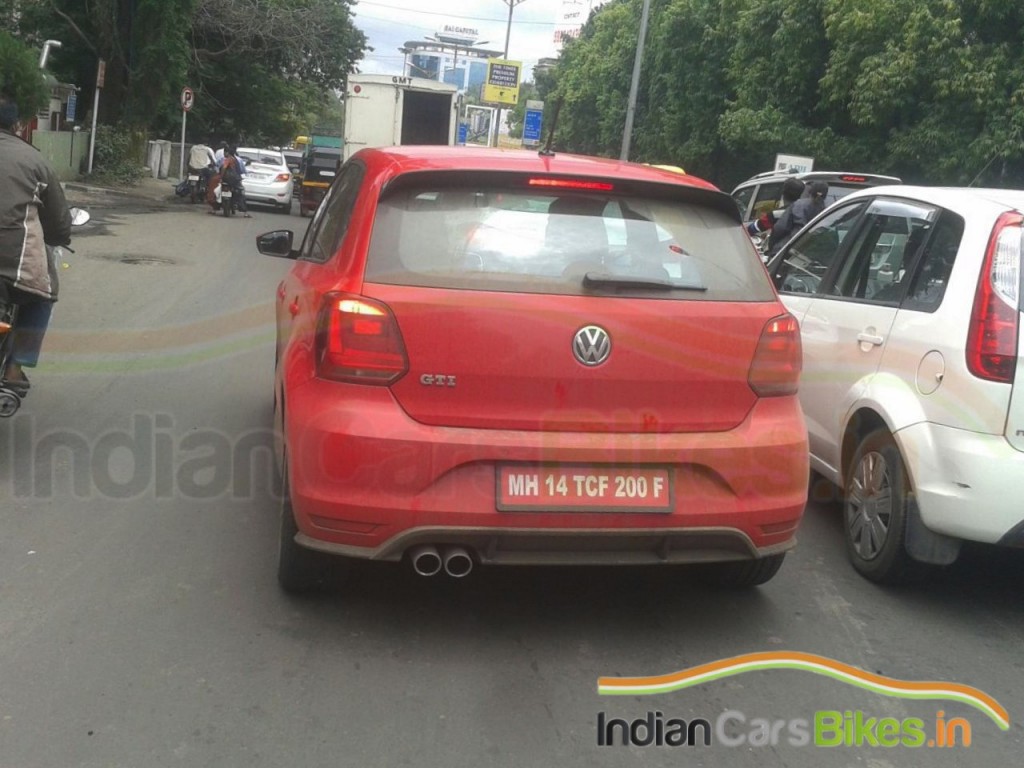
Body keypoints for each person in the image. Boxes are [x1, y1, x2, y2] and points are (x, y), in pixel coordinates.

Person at [0, 93, 72, 396]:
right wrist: (59, 238)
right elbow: (57, 221)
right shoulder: (35, 160)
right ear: (17, 124)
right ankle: (16, 367)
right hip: (11, 262)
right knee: (43, 295)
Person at [767, 180, 829, 258]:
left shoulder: (798, 204)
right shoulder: (828, 212)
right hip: (809, 256)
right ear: (825, 195)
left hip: (786, 252)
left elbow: (780, 228)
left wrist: (772, 247)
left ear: (810, 191)